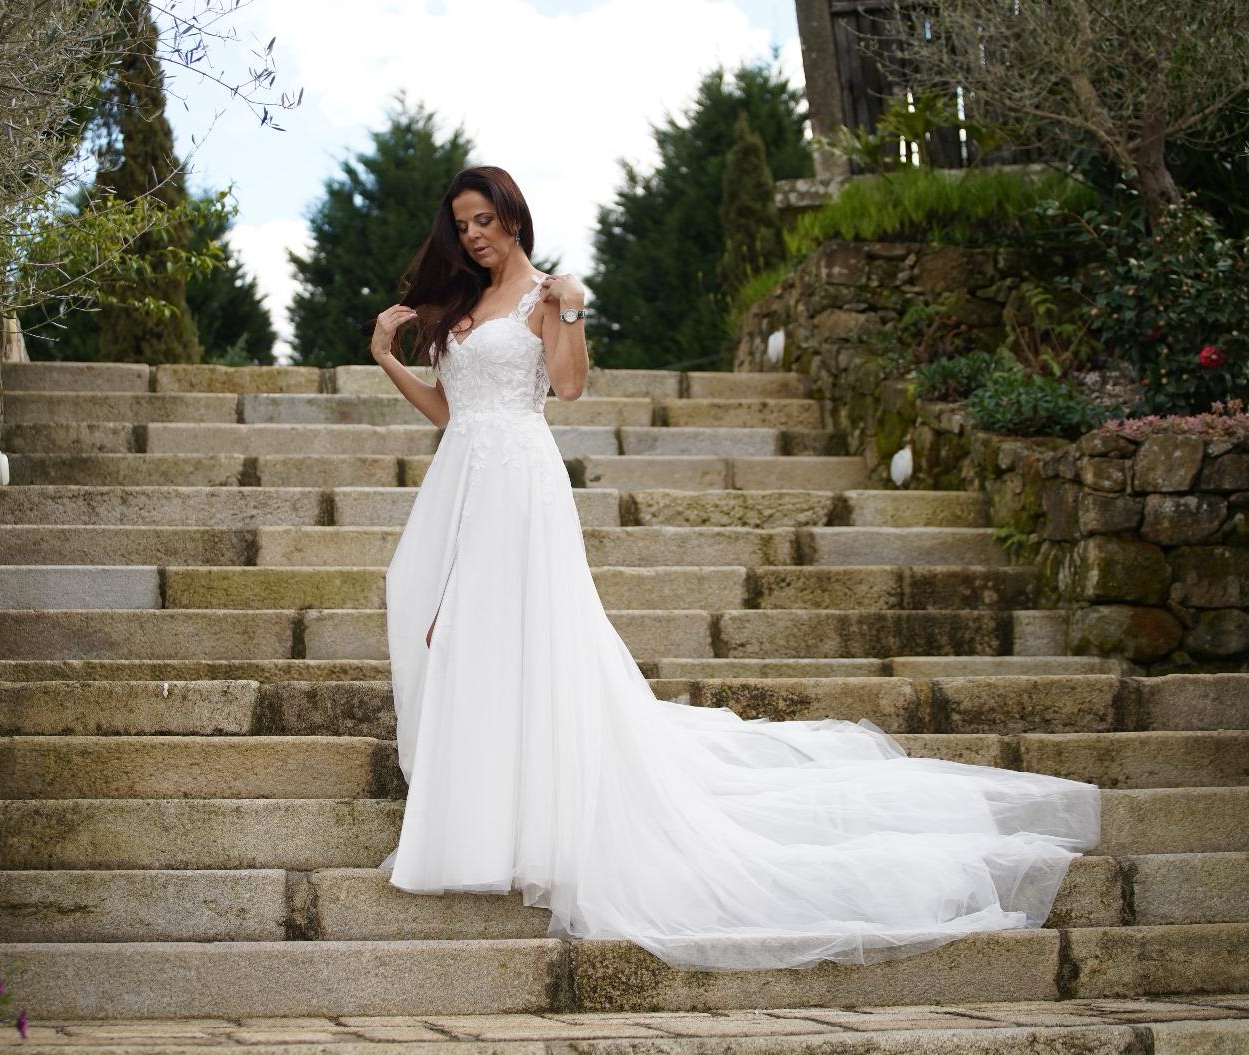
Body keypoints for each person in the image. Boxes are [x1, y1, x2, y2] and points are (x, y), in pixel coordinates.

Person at [364, 165, 1101, 971]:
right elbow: (450, 408)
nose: (473, 235)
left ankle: (529, 827)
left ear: (513, 217)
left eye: (485, 219)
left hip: (519, 482)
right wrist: (387, 357)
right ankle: (475, 826)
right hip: (461, 477)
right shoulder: (462, 307)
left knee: (517, 638)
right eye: (463, 223)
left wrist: (570, 307)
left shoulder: (548, 293)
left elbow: (568, 389)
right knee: (454, 634)